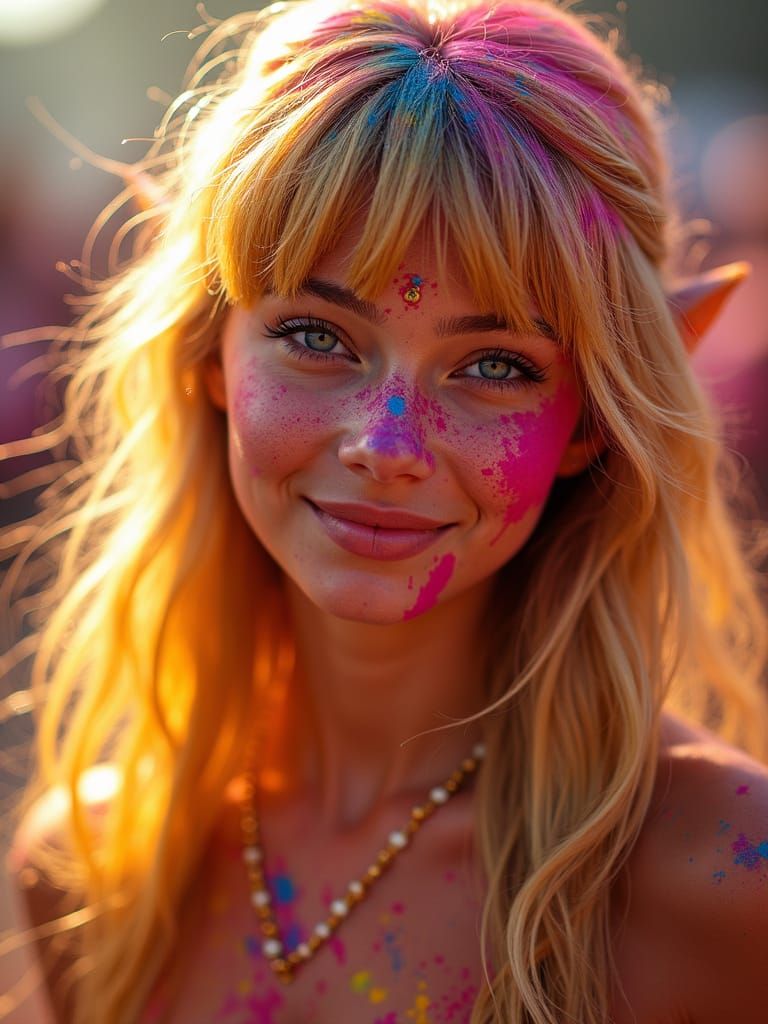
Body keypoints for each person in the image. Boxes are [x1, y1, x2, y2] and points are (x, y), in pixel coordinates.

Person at [3, 0, 768, 1021]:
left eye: (496, 364)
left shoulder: (722, 877)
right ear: (210, 356)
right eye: (318, 336)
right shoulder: (94, 866)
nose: (387, 444)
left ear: (592, 418)